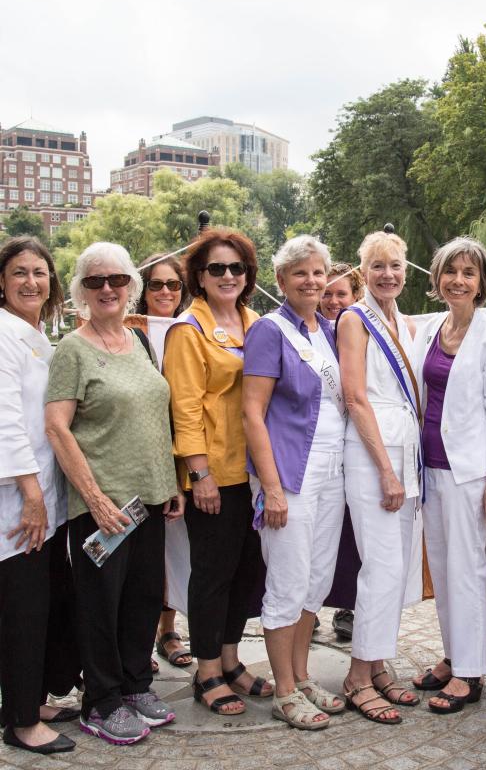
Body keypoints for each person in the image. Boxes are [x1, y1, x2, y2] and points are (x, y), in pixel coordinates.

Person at [46, 242, 179, 745]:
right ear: (81, 289)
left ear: (131, 286)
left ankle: (134, 684)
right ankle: (100, 700)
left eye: (117, 280)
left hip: (147, 498)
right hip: (102, 505)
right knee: (100, 602)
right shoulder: (73, 350)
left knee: (143, 598)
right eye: (96, 281)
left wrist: (167, 485)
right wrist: (95, 498)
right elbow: (58, 429)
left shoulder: (138, 341)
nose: (107, 289)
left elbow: (152, 414)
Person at [243, 236, 348, 730]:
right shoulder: (270, 330)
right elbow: (252, 413)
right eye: (299, 273)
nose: (311, 280)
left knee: (317, 579)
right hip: (290, 473)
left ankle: (302, 675)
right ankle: (284, 691)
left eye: (318, 272)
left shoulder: (329, 330)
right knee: (286, 581)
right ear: (281, 281)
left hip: (333, 474)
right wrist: (272, 486)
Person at [162, 227, 268, 716]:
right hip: (217, 474)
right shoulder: (189, 329)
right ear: (199, 277)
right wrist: (198, 473)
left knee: (248, 571)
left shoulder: (256, 322)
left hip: (256, 471)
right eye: (216, 269)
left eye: (236, 268)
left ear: (248, 275)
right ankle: (207, 670)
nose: (228, 276)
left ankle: (231, 660)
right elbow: (184, 407)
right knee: (212, 575)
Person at [410, 237, 486, 713]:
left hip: (469, 472)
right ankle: (453, 655)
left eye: (468, 273)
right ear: (437, 278)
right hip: (429, 465)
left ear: (481, 283)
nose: (458, 280)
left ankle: (471, 672)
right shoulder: (431, 327)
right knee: (443, 567)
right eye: (450, 271)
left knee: (467, 570)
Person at [338, 229, 421, 724]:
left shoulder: (404, 323)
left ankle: (377, 661)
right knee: (381, 567)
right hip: (375, 455)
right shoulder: (355, 319)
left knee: (399, 566)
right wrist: (387, 471)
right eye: (377, 266)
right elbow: (355, 398)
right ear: (361, 271)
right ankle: (356, 677)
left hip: (404, 452)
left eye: (394, 265)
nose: (387, 274)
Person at [0, 237, 77, 755]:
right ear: (2, 282)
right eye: (19, 273)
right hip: (18, 501)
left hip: (45, 499)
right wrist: (30, 493)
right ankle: (23, 721)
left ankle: (32, 699)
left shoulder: (37, 335)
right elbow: (5, 419)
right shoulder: (3, 333)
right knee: (23, 610)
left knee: (49, 603)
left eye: (40, 273)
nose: (31, 281)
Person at [133, 254, 193, 672]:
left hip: (185, 451)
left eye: (173, 284)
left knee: (178, 547)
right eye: (156, 285)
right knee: (140, 552)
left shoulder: (190, 328)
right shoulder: (124, 330)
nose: (166, 292)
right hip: (139, 456)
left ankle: (167, 629)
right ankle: (136, 634)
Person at [320, 262, 366, 640]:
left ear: (355, 296)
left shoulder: (361, 331)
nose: (333, 301)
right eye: (327, 294)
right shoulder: (311, 334)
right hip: (322, 449)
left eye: (341, 294)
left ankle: (348, 606)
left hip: (358, 442)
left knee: (352, 532)